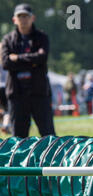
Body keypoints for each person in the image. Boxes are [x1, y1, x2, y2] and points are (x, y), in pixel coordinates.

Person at [1, 3, 55, 138]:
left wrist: (17, 58)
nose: (23, 20)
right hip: (17, 95)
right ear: (14, 19)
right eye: (20, 16)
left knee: (48, 135)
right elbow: (6, 63)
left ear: (33, 18)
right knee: (19, 138)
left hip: (39, 93)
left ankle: (52, 158)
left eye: (26, 16)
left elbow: (42, 58)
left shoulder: (41, 37)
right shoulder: (8, 40)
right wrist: (32, 62)